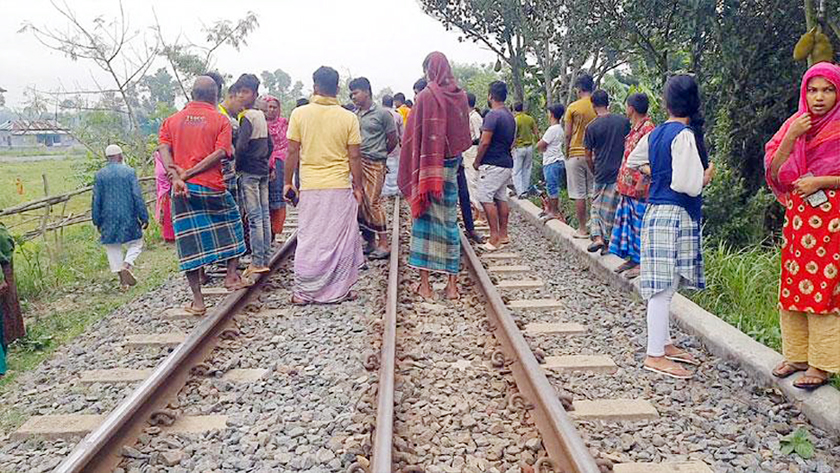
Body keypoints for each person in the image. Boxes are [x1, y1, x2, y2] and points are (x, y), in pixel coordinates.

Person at [627, 74, 715, 379]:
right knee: (662, 289)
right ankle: (654, 355)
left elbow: (634, 162)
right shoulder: (685, 135)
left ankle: (663, 344)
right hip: (675, 213)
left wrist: (657, 173)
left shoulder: (656, 133)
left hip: (657, 211)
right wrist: (705, 176)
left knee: (666, 283)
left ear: (666, 103)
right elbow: (688, 185)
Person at [766, 62, 840, 390]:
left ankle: (822, 365)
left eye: (828, 90)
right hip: (798, 220)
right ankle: (796, 355)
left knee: (824, 288)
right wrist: (793, 136)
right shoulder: (794, 125)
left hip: (832, 220)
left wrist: (820, 181)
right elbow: (774, 171)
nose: (819, 97)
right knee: (794, 284)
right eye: (813, 89)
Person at [159, 76, 247, 316]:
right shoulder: (221, 120)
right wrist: (189, 173)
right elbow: (221, 152)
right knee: (233, 226)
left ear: (192, 94)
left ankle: (198, 301)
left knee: (188, 243)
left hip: (181, 190)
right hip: (212, 185)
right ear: (216, 96)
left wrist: (176, 176)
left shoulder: (171, 121)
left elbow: (163, 149)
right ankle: (231, 276)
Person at [284, 66, 365, 304]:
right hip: (339, 185)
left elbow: (292, 151)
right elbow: (354, 157)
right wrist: (358, 187)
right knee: (340, 238)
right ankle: (339, 289)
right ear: (338, 88)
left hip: (310, 185)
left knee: (310, 236)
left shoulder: (299, 114)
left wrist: (288, 182)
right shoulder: (348, 117)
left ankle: (303, 292)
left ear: (314, 86)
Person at [398, 52, 472, 299]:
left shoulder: (426, 95)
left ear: (429, 70)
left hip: (427, 170)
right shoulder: (460, 96)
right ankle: (452, 286)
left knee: (423, 224)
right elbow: (463, 136)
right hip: (451, 167)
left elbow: (413, 137)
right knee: (450, 223)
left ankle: (426, 286)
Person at [350, 77, 398, 259]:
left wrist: (381, 154)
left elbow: (393, 139)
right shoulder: (356, 115)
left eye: (356, 93)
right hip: (358, 162)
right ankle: (369, 241)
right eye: (352, 93)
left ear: (367, 91)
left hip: (376, 163)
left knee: (373, 202)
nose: (353, 97)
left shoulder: (383, 114)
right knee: (360, 202)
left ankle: (384, 243)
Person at [609, 93, 656, 278]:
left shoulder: (648, 129)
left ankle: (642, 262)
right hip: (627, 187)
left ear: (631, 108)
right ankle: (632, 259)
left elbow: (651, 159)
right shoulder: (635, 128)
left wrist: (643, 181)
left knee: (639, 225)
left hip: (639, 188)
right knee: (629, 224)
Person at [92, 144, 149, 290]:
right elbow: (137, 195)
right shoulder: (129, 172)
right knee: (136, 242)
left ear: (107, 158)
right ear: (120, 156)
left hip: (107, 216)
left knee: (112, 247)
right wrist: (144, 216)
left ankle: (123, 283)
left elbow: (96, 199)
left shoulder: (100, 175)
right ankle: (127, 265)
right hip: (128, 213)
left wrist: (96, 220)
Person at [234, 74, 273, 278]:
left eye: (245, 91)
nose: (241, 95)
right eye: (239, 91)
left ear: (255, 94)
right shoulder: (261, 115)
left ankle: (257, 261)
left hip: (249, 171)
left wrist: (236, 166)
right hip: (262, 169)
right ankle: (265, 257)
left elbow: (241, 146)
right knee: (264, 215)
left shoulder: (247, 116)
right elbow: (270, 144)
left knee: (255, 216)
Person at [584, 90, 631, 254]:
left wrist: (594, 170)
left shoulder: (591, 127)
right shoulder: (623, 122)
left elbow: (588, 155)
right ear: (608, 102)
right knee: (613, 208)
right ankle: (610, 242)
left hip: (601, 171)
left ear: (593, 105)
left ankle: (597, 237)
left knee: (596, 205)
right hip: (620, 171)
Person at [473, 81, 516, 252]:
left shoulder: (492, 115)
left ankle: (494, 237)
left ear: (490, 95)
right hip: (506, 162)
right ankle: (504, 234)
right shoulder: (509, 116)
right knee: (500, 197)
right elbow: (513, 141)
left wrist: (477, 161)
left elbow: (484, 141)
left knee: (484, 197)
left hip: (492, 164)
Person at [565, 73, 598, 238]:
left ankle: (582, 229)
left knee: (579, 193)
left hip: (575, 153)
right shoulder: (598, 106)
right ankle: (596, 230)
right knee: (593, 192)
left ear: (578, 89)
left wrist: (567, 151)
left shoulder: (573, 107)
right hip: (594, 154)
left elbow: (568, 134)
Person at [256, 95, 289, 241]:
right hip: (262, 163)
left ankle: (274, 230)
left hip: (282, 164)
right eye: (269, 107)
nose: (272, 110)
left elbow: (289, 144)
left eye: (275, 107)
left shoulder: (284, 123)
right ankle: (264, 231)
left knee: (278, 198)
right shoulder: (259, 123)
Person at [536, 103, 567, 222]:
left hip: (552, 161)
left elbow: (541, 145)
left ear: (552, 114)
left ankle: (553, 211)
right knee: (551, 185)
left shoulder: (552, 129)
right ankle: (550, 209)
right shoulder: (559, 128)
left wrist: (541, 146)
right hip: (556, 160)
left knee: (552, 186)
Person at [462, 92, 485, 226]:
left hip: (473, 153)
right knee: (471, 183)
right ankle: (477, 213)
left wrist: (468, 142)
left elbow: (479, 137)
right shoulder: (471, 116)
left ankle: (480, 215)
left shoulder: (474, 118)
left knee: (474, 183)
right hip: (469, 153)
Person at [512, 102, 540, 197]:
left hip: (519, 148)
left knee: (517, 171)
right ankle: (525, 189)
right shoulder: (530, 119)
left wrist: (511, 146)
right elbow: (536, 132)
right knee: (527, 169)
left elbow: (514, 135)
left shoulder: (516, 120)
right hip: (529, 147)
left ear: (514, 110)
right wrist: (538, 143)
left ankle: (520, 192)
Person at [381, 94, 404, 197]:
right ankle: (395, 191)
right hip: (394, 149)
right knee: (395, 170)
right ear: (392, 104)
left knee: (383, 170)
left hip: (380, 148)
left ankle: (384, 191)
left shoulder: (379, 114)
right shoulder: (398, 115)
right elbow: (402, 134)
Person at [153, 150, 175, 242]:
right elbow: (162, 173)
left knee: (168, 213)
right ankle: (169, 236)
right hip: (166, 190)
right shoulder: (161, 162)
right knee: (167, 213)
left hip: (165, 190)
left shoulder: (160, 162)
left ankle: (170, 235)